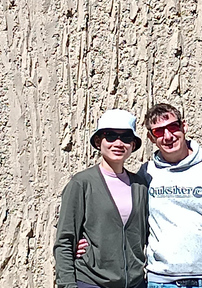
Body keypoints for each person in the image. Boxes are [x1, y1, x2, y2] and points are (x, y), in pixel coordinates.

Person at [78, 103, 202, 288]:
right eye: (159, 132)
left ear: (184, 126)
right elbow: (124, 219)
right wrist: (87, 245)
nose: (168, 136)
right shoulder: (147, 174)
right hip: (160, 281)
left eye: (173, 127)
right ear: (151, 138)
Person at [54, 109, 148, 288]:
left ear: (133, 144)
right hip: (91, 282)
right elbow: (65, 240)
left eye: (126, 137)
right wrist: (67, 284)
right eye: (110, 136)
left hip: (135, 283)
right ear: (98, 141)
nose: (118, 143)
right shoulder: (82, 183)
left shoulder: (140, 186)